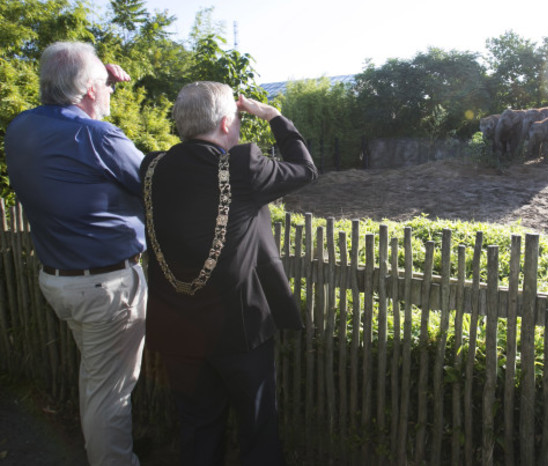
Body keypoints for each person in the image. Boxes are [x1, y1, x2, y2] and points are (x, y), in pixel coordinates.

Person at [140, 81, 317, 465]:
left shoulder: (151, 167)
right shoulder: (241, 165)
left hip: (176, 327)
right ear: (225, 123)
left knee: (198, 427)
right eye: (237, 120)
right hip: (240, 329)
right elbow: (305, 169)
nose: (238, 128)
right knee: (257, 428)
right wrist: (274, 117)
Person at [4, 41, 147, 466]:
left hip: (59, 279)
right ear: (87, 91)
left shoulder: (21, 127)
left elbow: (81, 144)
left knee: (96, 380)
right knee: (109, 395)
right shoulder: (96, 134)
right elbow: (150, 181)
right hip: (106, 288)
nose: (109, 92)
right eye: (104, 86)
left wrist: (95, 78)